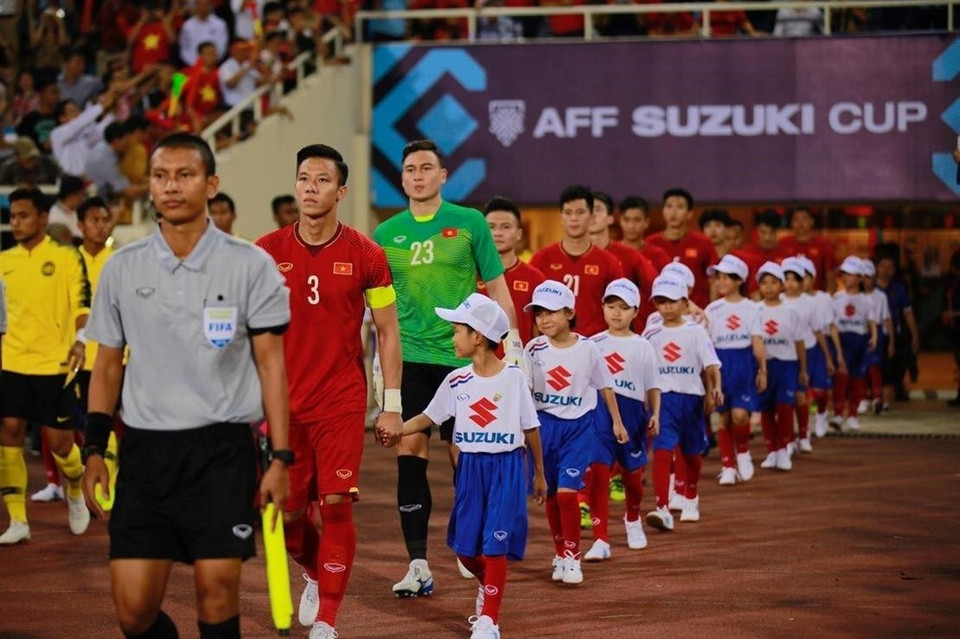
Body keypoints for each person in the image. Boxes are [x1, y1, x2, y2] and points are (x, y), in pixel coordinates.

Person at [79, 133, 292, 639]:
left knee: (216, 594)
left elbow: (271, 367)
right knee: (133, 612)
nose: (171, 186)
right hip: (145, 453)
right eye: (160, 176)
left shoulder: (249, 264)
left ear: (211, 183)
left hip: (220, 451)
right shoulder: (123, 268)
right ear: (149, 186)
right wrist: (93, 447)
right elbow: (107, 365)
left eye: (185, 175)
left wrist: (281, 458)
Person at [256, 144, 403, 639]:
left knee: (337, 503)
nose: (310, 187)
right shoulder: (265, 252)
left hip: (341, 400)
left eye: (321, 180)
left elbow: (387, 332)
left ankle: (328, 620)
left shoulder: (367, 254)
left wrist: (391, 405)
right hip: (281, 406)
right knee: (291, 516)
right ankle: (316, 571)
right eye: (303, 178)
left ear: (340, 191)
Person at [372, 139, 522, 598]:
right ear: (401, 179)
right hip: (410, 360)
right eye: (410, 169)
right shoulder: (385, 234)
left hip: (465, 362)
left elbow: (497, 289)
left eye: (426, 168)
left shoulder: (469, 222)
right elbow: (379, 312)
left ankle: (470, 544)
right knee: (410, 456)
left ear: (443, 176)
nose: (418, 175)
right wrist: (380, 370)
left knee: (468, 459)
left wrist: (512, 352)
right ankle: (417, 564)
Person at [399, 294, 545, 639]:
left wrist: (539, 474)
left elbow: (531, 428)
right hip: (471, 469)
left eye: (457, 331)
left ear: (477, 336)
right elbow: (427, 418)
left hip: (507, 467)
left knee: (494, 544)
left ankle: (489, 620)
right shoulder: (455, 381)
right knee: (464, 550)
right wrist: (396, 429)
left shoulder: (513, 379)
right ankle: (489, 585)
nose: (452, 338)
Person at [0, 187, 91, 545]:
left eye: (23, 215)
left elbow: (82, 304)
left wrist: (81, 340)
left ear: (41, 218)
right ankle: (17, 520)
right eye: (12, 216)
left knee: (60, 444)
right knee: (8, 435)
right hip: (13, 361)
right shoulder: (4, 261)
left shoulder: (67, 257)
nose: (16, 222)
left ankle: (73, 489)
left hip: (55, 363)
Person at [523, 280, 627, 585]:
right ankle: (560, 552)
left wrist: (617, 422)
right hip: (544, 429)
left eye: (551, 312)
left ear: (569, 312)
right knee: (553, 495)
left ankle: (572, 555)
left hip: (579, 427)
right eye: (538, 313)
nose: (543, 319)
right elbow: (525, 388)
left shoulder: (588, 348)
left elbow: (605, 385)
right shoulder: (533, 349)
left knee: (568, 493)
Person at [584, 279, 660, 559]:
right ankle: (601, 539)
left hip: (633, 415)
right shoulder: (592, 344)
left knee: (632, 477)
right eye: (611, 305)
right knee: (598, 474)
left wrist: (656, 414)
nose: (616, 313)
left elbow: (653, 385)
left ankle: (632, 518)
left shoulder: (643, 346)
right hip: (599, 414)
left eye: (624, 307)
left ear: (635, 311)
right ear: (603, 307)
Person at [643, 276, 721, 529]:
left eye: (672, 302)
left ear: (685, 302)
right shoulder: (651, 332)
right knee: (663, 451)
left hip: (691, 400)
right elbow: (642, 365)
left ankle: (691, 495)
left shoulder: (696, 331)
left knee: (692, 453)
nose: (666, 307)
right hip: (663, 400)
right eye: (660, 302)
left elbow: (710, 364)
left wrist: (714, 389)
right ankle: (662, 507)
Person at [530, 185, 624, 337]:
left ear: (592, 216)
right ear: (561, 217)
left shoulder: (609, 262)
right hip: (551, 348)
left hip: (596, 346)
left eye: (580, 212)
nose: (574, 218)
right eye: (568, 212)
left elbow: (620, 311)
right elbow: (531, 311)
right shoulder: (541, 259)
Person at [704, 255, 766, 485]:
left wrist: (763, 370)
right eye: (717, 277)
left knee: (740, 415)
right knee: (725, 418)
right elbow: (707, 347)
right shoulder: (712, 309)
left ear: (739, 280)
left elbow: (758, 343)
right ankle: (728, 465)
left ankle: (742, 452)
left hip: (743, 362)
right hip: (721, 364)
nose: (719, 282)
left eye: (725, 277)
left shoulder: (751, 308)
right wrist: (709, 381)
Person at [755, 262, 807, 472]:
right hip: (763, 366)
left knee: (785, 406)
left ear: (782, 285)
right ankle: (771, 450)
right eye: (764, 283)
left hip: (787, 364)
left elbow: (800, 342)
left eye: (774, 282)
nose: (768, 287)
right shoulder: (755, 310)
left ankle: (784, 449)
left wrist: (803, 369)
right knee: (766, 408)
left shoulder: (791, 311)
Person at [781, 257, 831, 454]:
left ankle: (803, 435)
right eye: (786, 278)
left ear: (802, 282)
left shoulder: (810, 303)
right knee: (789, 398)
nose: (790, 283)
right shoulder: (778, 302)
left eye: (795, 279)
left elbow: (818, 331)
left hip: (808, 352)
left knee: (802, 397)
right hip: (786, 356)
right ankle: (789, 439)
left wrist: (827, 357)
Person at [482, 196, 545, 346]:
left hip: (518, 363)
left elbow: (543, 329)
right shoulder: (469, 275)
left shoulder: (535, 278)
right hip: (474, 365)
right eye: (491, 227)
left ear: (519, 233)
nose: (497, 233)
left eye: (505, 227)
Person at [589, 191, 657, 328]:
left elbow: (658, 287)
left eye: (597, 209)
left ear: (610, 218)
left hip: (621, 338)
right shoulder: (565, 257)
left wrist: (687, 304)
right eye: (586, 210)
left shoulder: (630, 255)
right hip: (578, 340)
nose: (592, 215)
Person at [646, 188, 719, 308]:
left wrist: (712, 311)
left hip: (696, 314)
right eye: (669, 206)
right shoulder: (650, 243)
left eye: (680, 207)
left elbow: (713, 281)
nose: (673, 212)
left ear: (690, 213)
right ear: (663, 211)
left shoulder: (703, 242)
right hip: (661, 314)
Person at [796, 256, 844, 437]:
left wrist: (836, 354)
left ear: (813, 278)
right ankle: (808, 421)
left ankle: (822, 414)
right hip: (798, 350)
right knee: (805, 392)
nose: (800, 282)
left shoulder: (823, 299)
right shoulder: (787, 300)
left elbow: (831, 327)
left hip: (819, 347)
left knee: (820, 390)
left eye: (804, 277)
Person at [831, 257, 878, 432]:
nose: (846, 278)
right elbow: (832, 324)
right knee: (841, 377)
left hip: (859, 340)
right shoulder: (836, 297)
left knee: (857, 379)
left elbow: (871, 321)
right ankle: (837, 414)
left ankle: (852, 416)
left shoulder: (866, 300)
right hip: (842, 340)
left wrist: (874, 336)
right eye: (844, 274)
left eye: (850, 275)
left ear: (859, 277)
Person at [874, 252, 919, 405]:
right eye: (882, 266)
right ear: (876, 268)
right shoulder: (869, 288)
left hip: (894, 336)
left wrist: (915, 335)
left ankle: (891, 397)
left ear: (893, 270)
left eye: (890, 267)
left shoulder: (899, 290)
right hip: (873, 336)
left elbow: (908, 313)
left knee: (893, 369)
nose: (886, 270)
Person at [860, 260, 894, 415]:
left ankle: (877, 398)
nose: (867, 280)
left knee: (874, 368)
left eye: (869, 276)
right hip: (860, 333)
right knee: (861, 368)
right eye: (864, 277)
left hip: (877, 333)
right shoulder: (857, 297)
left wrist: (891, 342)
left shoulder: (880, 296)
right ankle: (862, 399)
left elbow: (887, 319)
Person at [778, 206, 837, 292]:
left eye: (804, 219)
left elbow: (831, 278)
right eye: (796, 220)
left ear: (812, 221)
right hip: (789, 299)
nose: (800, 223)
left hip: (816, 299)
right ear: (791, 223)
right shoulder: (783, 243)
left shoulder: (823, 245)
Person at [616, 196, 670, 272]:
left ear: (646, 222)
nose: (631, 226)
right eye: (626, 220)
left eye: (637, 220)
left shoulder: (658, 255)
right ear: (620, 221)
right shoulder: (610, 253)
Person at [179, 0, 229, 66]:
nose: (203, 7)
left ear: (211, 6)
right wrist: (194, 63)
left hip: (213, 65)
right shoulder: (187, 25)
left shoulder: (220, 24)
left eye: (206, 4)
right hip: (191, 65)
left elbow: (222, 47)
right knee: (177, 76)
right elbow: (184, 48)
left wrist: (211, 61)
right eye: (200, 5)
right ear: (196, 6)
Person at [48, 174, 87, 241]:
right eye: (81, 193)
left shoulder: (79, 211)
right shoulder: (55, 216)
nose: (83, 198)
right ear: (71, 194)